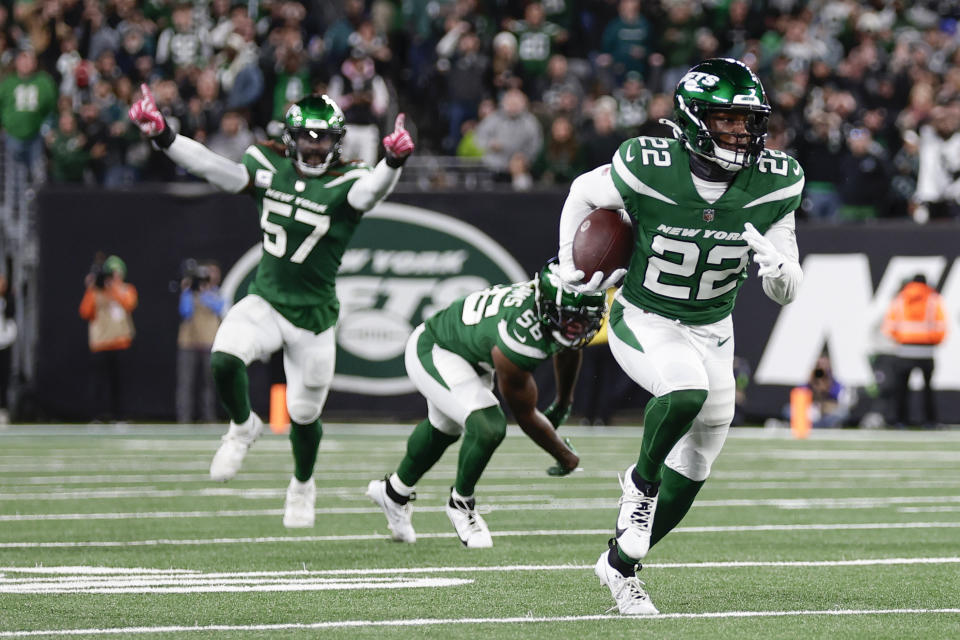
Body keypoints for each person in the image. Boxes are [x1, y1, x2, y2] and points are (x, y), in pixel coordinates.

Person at [555, 58, 804, 614]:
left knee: (698, 461)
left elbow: (786, 290)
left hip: (714, 326)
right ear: (693, 120)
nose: (743, 132)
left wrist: (782, 274)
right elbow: (580, 192)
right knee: (684, 392)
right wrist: (568, 262)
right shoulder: (647, 166)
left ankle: (620, 567)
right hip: (644, 317)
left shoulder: (776, 180)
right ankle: (639, 488)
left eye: (749, 121)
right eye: (728, 120)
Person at [129, 87, 414, 527]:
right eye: (307, 137)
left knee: (303, 415)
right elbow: (213, 167)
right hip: (267, 299)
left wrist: (392, 163)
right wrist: (164, 134)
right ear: (290, 137)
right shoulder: (266, 165)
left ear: (337, 142)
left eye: (323, 139)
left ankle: (302, 485)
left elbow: (372, 192)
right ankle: (242, 426)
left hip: (314, 316)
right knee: (223, 359)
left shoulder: (347, 182)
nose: (315, 147)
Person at [366, 260, 605, 547]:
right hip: (435, 348)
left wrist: (565, 400)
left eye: (584, 319)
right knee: (488, 425)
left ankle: (393, 494)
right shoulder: (520, 334)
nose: (576, 328)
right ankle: (461, 504)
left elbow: (569, 347)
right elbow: (525, 415)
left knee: (444, 429)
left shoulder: (551, 309)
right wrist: (564, 455)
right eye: (569, 318)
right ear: (547, 309)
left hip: (468, 353)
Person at [78, 254, 138, 422]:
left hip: (120, 342)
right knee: (98, 383)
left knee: (119, 383)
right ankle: (96, 415)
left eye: (117, 272)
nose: (114, 276)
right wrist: (91, 288)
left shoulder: (126, 289)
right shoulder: (95, 291)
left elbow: (129, 304)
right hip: (100, 342)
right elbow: (85, 312)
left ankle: (119, 416)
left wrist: (113, 288)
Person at [882, 274, 947, 427]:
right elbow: (941, 326)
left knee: (902, 389)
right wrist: (932, 340)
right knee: (928, 390)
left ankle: (900, 420)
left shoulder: (900, 299)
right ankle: (930, 421)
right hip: (926, 351)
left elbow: (889, 326)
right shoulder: (933, 299)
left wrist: (902, 339)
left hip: (904, 350)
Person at [176, 260, 224, 424]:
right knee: (186, 382)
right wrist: (189, 291)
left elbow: (220, 307)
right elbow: (185, 312)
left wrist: (203, 294)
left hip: (209, 342)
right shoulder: (189, 293)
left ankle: (208, 416)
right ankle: (184, 418)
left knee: (209, 384)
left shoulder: (215, 293)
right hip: (188, 342)